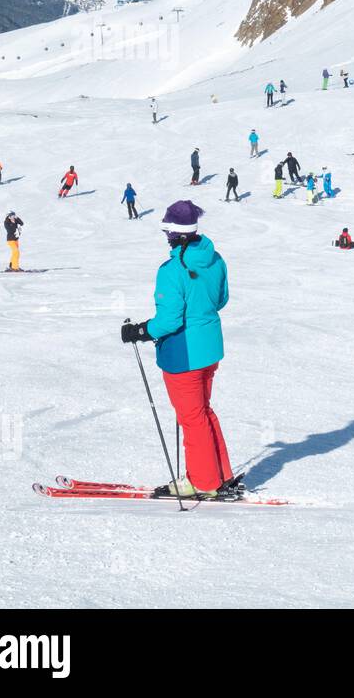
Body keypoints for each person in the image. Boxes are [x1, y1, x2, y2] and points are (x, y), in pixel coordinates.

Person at [120, 201, 233, 498]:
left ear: (172, 233)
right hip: (209, 349)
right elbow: (220, 300)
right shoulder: (215, 258)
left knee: (192, 418)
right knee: (203, 412)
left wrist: (141, 331)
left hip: (184, 354)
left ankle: (203, 481)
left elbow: (169, 320)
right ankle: (218, 473)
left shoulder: (172, 270)